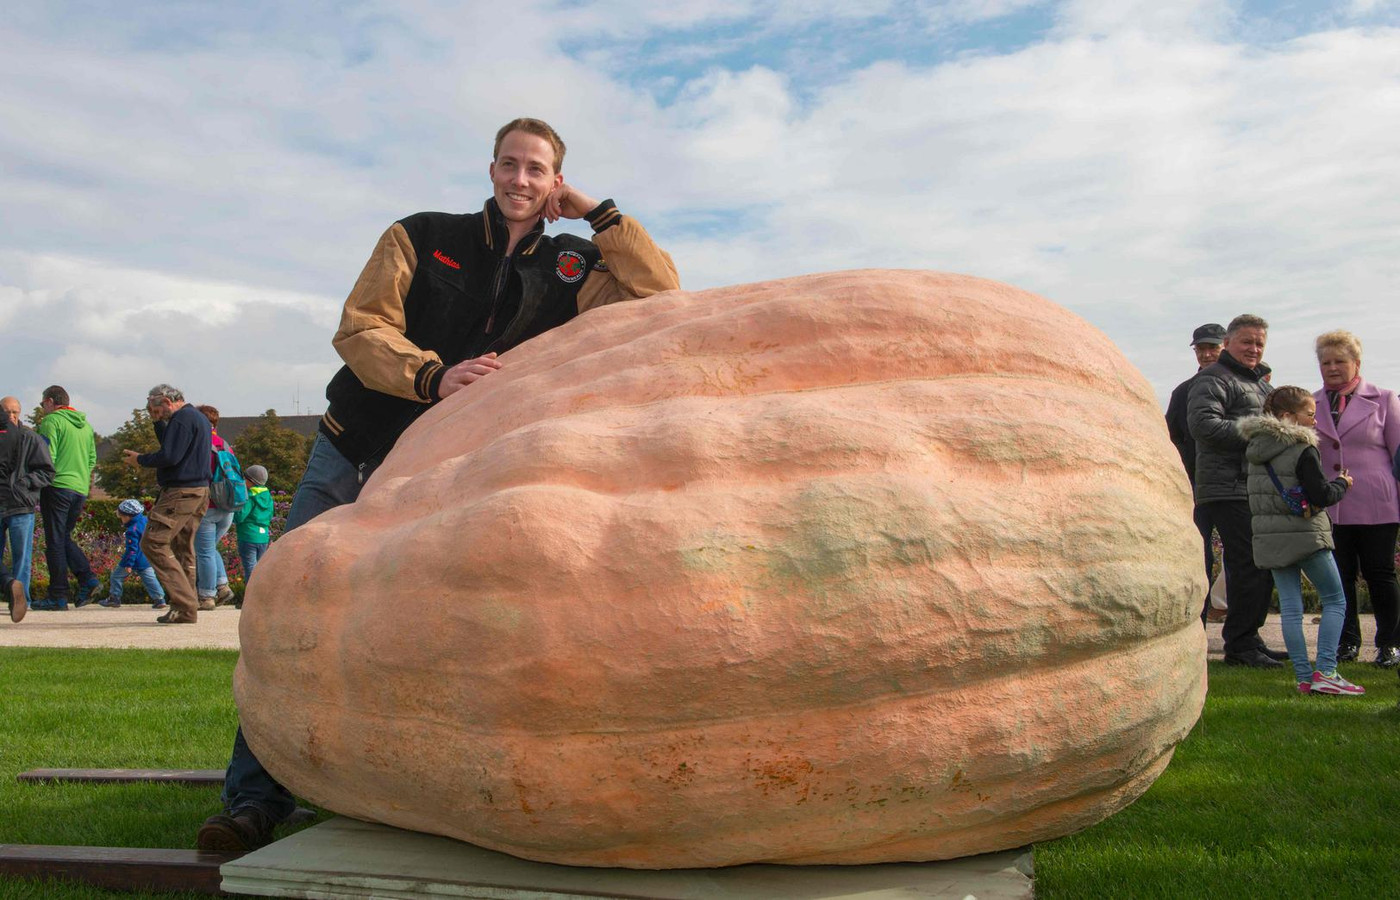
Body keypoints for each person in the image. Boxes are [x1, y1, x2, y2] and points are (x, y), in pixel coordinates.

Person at [196, 116, 680, 852]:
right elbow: (362, 329)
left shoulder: (574, 268)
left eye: (538, 170)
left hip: (444, 478)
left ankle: (389, 782)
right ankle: (254, 799)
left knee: (427, 626)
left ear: (555, 182)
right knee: (295, 615)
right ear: (490, 170)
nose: (520, 180)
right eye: (509, 164)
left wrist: (601, 214)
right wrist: (433, 375)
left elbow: (661, 298)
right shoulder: (420, 235)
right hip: (355, 450)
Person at [1242, 386, 1363, 695]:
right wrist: (1342, 483)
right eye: (1310, 414)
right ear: (1287, 417)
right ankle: (1327, 671)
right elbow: (1321, 495)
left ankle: (1304, 678)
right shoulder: (1302, 448)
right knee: (1336, 600)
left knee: (1291, 610)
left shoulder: (1256, 450)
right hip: (1307, 535)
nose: (1315, 421)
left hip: (1271, 540)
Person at [1187, 314, 1289, 667]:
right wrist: (1258, 430)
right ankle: (1241, 647)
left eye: (1260, 343)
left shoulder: (1259, 384)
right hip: (1226, 487)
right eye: (1247, 341)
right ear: (1228, 343)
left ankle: (1249, 639)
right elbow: (1203, 425)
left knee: (1257, 567)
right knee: (1246, 566)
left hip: (1252, 486)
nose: (1254, 348)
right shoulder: (1214, 379)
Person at [1312, 330, 1400, 667]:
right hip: (1331, 505)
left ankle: (1390, 644)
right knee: (1339, 577)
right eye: (1325, 362)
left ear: (1356, 364)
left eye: (1339, 361)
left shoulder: (1384, 399)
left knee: (1380, 574)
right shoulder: (1311, 403)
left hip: (1378, 502)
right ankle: (1346, 643)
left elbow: (1399, 455)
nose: (1332, 368)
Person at [123, 384, 213, 624]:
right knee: (183, 547)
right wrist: (157, 424)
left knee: (153, 542)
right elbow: (173, 445)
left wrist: (140, 460)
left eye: (156, 409)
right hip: (199, 490)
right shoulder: (196, 418)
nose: (156, 413)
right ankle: (185, 609)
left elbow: (170, 456)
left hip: (180, 491)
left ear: (166, 401)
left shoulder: (182, 419)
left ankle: (185, 603)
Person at [1165, 324, 1226, 623]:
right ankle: (1197, 624)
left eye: (1212, 347)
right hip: (1195, 486)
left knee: (1243, 560)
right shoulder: (1183, 392)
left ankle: (1243, 636)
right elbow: (1170, 437)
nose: (1206, 353)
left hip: (1234, 485)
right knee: (1198, 554)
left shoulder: (1239, 387)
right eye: (1201, 348)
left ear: (1225, 347)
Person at [32, 385, 99, 609]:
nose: (43, 409)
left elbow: (46, 455)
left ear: (50, 401)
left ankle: (58, 595)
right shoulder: (86, 426)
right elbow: (91, 460)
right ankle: (86, 578)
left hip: (57, 486)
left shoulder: (52, 421)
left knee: (54, 542)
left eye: (43, 405)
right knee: (63, 538)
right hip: (78, 488)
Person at [0, 395, 55, 606]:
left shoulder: (30, 438)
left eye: (15, 412)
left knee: (21, 557)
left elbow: (47, 471)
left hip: (21, 505)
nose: (11, 416)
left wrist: (23, 484)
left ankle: (21, 601)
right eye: (7, 412)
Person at [194, 404, 237, 609]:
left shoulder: (199, 443)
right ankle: (223, 586)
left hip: (208, 506)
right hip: (228, 507)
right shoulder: (226, 445)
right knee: (209, 549)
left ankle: (207, 595)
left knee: (204, 552)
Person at [100, 499, 167, 609]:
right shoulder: (146, 521)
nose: (121, 519)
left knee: (116, 576)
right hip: (147, 558)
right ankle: (159, 599)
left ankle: (114, 598)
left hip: (132, 560)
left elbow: (132, 549)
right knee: (150, 580)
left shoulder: (132, 530)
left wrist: (129, 564)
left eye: (121, 517)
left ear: (128, 516)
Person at [233, 464, 273, 586]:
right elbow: (270, 515)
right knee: (259, 569)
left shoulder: (250, 496)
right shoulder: (268, 496)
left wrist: (233, 511)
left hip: (248, 535)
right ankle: (261, 597)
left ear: (251, 481)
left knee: (250, 568)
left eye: (245, 478)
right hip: (263, 537)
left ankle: (251, 598)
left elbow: (240, 517)